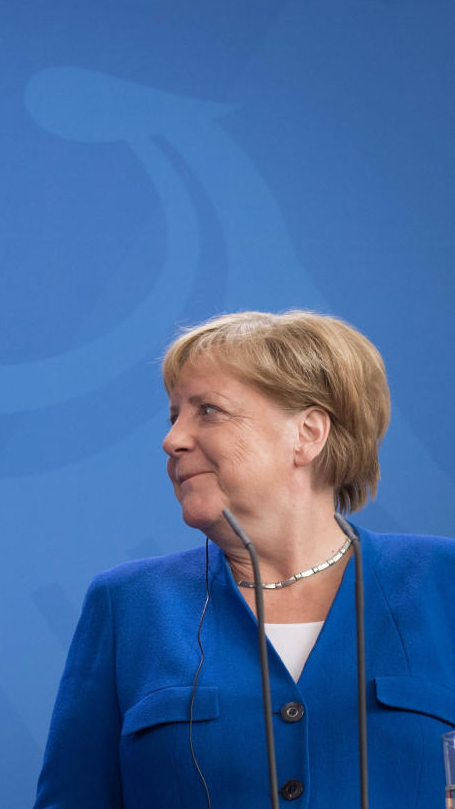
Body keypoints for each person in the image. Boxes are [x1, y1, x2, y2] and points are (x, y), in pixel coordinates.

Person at [33, 310, 455, 808]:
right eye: (175, 416)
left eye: (208, 411)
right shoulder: (128, 605)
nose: (172, 440)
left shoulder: (442, 581)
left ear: (308, 434)